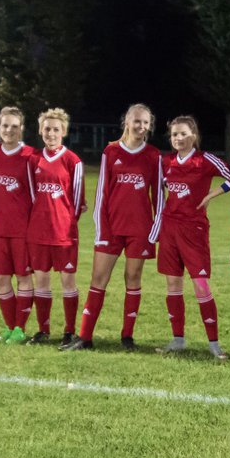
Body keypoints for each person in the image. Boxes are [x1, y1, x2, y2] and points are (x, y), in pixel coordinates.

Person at [67, 103, 162, 351]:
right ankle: (85, 337)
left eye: (145, 123)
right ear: (126, 122)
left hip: (140, 230)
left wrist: (154, 229)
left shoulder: (153, 155)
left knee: (132, 278)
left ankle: (127, 337)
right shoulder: (111, 152)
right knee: (98, 278)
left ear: (149, 126)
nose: (140, 126)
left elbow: (158, 197)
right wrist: (101, 230)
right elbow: (102, 195)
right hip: (111, 228)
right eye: (136, 121)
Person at [155, 115, 230, 359]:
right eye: (174, 135)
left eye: (183, 134)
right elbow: (159, 189)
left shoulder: (205, 160)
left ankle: (214, 344)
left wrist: (212, 194)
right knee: (172, 284)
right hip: (170, 229)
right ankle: (178, 339)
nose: (178, 138)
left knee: (200, 285)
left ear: (194, 136)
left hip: (194, 231)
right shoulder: (165, 161)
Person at [28, 108, 86, 348]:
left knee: (67, 282)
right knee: (41, 280)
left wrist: (65, 223)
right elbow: (32, 196)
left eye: (55, 129)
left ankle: (70, 331)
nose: (51, 133)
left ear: (63, 131)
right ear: (41, 131)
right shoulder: (33, 160)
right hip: (38, 232)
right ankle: (43, 329)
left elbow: (77, 200)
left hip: (64, 233)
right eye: (47, 129)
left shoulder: (73, 161)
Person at [0, 107, 38, 343]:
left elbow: (39, 194)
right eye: (5, 125)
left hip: (22, 231)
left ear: (21, 129)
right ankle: (9, 326)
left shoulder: (29, 156)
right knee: (1, 279)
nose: (9, 130)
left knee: (24, 278)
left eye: (14, 126)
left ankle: (20, 328)